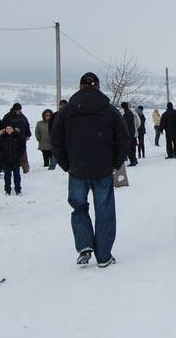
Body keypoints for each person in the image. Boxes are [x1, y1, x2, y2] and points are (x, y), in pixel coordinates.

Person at [51, 71, 129, 268]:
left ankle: (84, 245)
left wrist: (66, 164)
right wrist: (116, 162)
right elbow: (123, 137)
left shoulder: (66, 111)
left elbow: (56, 141)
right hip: (102, 168)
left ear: (80, 87)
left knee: (79, 208)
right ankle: (103, 256)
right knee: (104, 211)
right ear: (98, 87)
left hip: (77, 169)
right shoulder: (110, 110)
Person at [1, 103, 32, 174]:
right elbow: (3, 127)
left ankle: (26, 170)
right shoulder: (8, 116)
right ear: (14, 109)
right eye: (17, 110)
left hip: (22, 138)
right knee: (12, 155)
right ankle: (11, 170)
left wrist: (28, 134)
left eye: (20, 110)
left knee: (23, 154)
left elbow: (27, 125)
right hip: (11, 139)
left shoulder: (23, 116)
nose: (18, 111)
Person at [120, 101, 139, 167]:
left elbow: (126, 125)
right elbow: (137, 123)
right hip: (133, 132)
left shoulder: (126, 114)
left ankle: (133, 161)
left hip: (129, 133)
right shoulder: (130, 113)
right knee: (132, 147)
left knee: (130, 148)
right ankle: (134, 160)